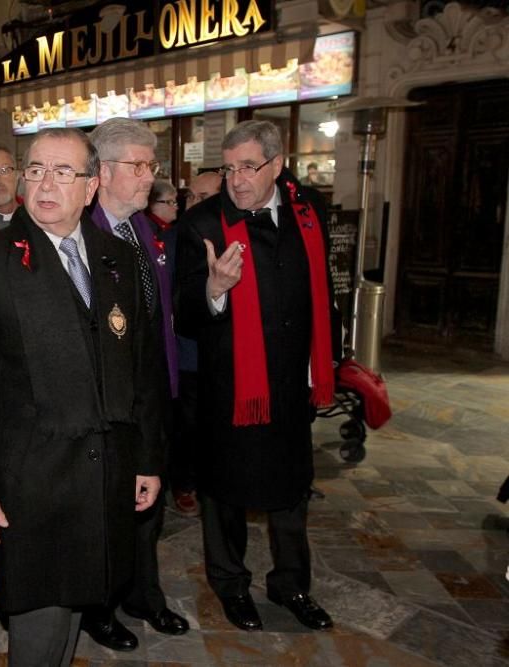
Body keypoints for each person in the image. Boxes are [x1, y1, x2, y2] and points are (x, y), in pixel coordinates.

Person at [0, 127, 163, 666]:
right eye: (37, 169)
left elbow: (141, 369)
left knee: (74, 616)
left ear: (91, 186)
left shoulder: (116, 258)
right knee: (39, 630)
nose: (46, 183)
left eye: (64, 172)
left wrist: (147, 458)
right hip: (33, 484)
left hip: (104, 474)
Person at [175, 120, 339, 633]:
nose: (236, 179)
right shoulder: (201, 224)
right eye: (228, 168)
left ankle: (291, 585)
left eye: (248, 167)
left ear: (278, 164)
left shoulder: (308, 212)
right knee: (225, 495)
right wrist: (215, 289)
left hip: (291, 385)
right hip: (232, 389)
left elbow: (323, 290)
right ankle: (231, 586)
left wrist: (326, 364)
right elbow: (183, 311)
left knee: (292, 493)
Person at [84, 118, 187, 650]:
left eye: (152, 165)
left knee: (150, 500)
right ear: (102, 171)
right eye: (139, 166)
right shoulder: (85, 234)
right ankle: (98, 608)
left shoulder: (143, 226)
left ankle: (144, 594)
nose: (150, 177)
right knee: (109, 508)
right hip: (109, 401)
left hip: (153, 391)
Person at [165, 169, 224, 520]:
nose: (195, 204)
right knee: (187, 423)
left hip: (224, 351)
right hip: (187, 351)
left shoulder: (233, 236)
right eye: (192, 196)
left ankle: (211, 480)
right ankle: (183, 483)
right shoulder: (172, 240)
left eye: (205, 197)